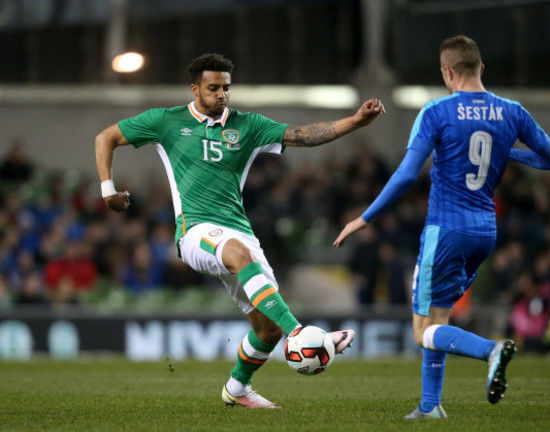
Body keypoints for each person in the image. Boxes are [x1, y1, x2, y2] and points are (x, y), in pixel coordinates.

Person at [95, 53, 386, 409]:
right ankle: (302, 333)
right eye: (213, 88)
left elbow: (305, 135)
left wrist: (356, 121)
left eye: (226, 88)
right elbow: (105, 137)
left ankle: (237, 389)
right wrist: (108, 192)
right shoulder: (166, 121)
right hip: (195, 232)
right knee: (243, 261)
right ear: (195, 89)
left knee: (267, 329)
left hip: (239, 232)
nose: (221, 94)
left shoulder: (248, 126)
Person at [334, 35, 550, 419]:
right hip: (485, 233)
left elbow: (408, 176)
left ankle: (489, 351)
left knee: (423, 331)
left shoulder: (437, 112)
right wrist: (508, 150)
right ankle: (430, 407)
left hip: (446, 230)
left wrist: (364, 217)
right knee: (438, 318)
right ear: (481, 68)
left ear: (447, 72)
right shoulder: (512, 111)